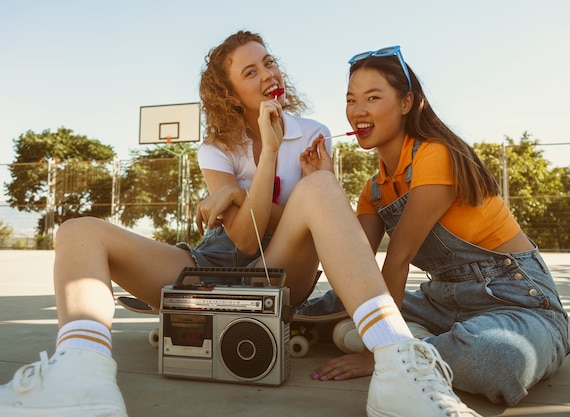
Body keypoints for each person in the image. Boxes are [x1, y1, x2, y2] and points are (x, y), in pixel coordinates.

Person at [0, 32, 481, 417]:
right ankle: (81, 376)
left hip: (276, 272)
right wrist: (264, 162)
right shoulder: (215, 147)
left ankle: (396, 362)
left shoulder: (311, 134)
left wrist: (239, 193)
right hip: (209, 264)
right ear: (231, 94)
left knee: (317, 190)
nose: (267, 73)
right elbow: (237, 237)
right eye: (251, 71)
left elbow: (271, 229)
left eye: (268, 62)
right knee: (77, 231)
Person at [298, 45, 570, 406]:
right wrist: (326, 184)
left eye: (372, 97)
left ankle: (404, 346)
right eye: (350, 100)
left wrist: (380, 355)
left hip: (516, 301)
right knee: (330, 303)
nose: (357, 111)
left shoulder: (435, 154)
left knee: (493, 358)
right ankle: (416, 340)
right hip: (443, 301)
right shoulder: (374, 190)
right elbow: (355, 268)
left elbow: (397, 259)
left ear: (406, 102)